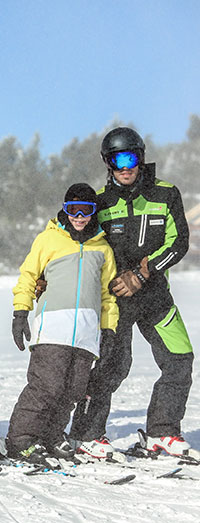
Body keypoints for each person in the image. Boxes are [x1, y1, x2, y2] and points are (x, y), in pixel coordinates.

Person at [68, 127, 195, 459]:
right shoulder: (98, 203)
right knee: (113, 366)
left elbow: (179, 242)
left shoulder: (167, 195)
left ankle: (163, 432)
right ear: (108, 163)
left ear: (141, 156)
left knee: (180, 359)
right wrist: (44, 276)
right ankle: (87, 435)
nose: (126, 166)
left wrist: (143, 272)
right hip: (115, 303)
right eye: (117, 159)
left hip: (156, 298)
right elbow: (71, 238)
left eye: (131, 157)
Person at [4, 184, 118, 467]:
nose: (79, 216)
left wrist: (109, 328)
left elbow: (108, 295)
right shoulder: (49, 240)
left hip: (86, 333)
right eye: (72, 210)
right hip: (53, 328)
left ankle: (51, 435)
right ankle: (20, 440)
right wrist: (21, 312)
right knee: (46, 387)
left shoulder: (102, 248)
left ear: (94, 213)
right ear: (64, 210)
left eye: (86, 211)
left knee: (73, 391)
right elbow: (28, 276)